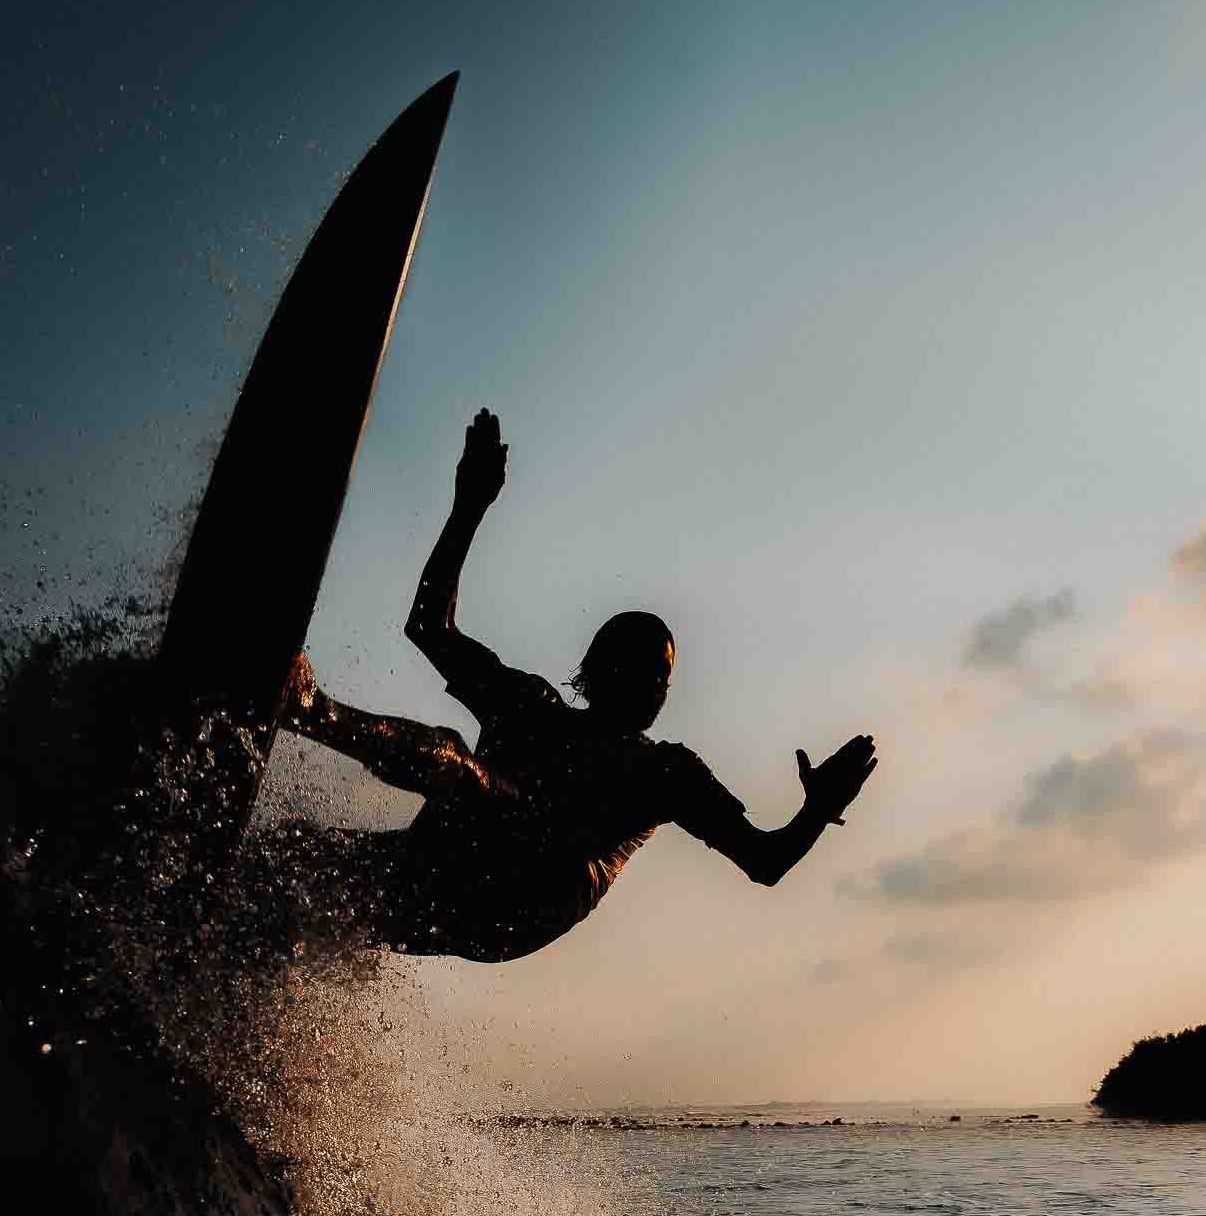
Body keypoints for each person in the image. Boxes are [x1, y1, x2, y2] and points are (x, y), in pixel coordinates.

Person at [273, 408, 878, 962]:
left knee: (463, 768)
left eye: (660, 674)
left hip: (516, 904)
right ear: (594, 668)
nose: (650, 683)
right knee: (287, 860)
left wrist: (818, 810)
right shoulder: (528, 705)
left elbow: (764, 860)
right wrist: (469, 506)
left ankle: (305, 710)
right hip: (423, 879)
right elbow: (429, 626)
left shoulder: (665, 772)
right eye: (636, 665)